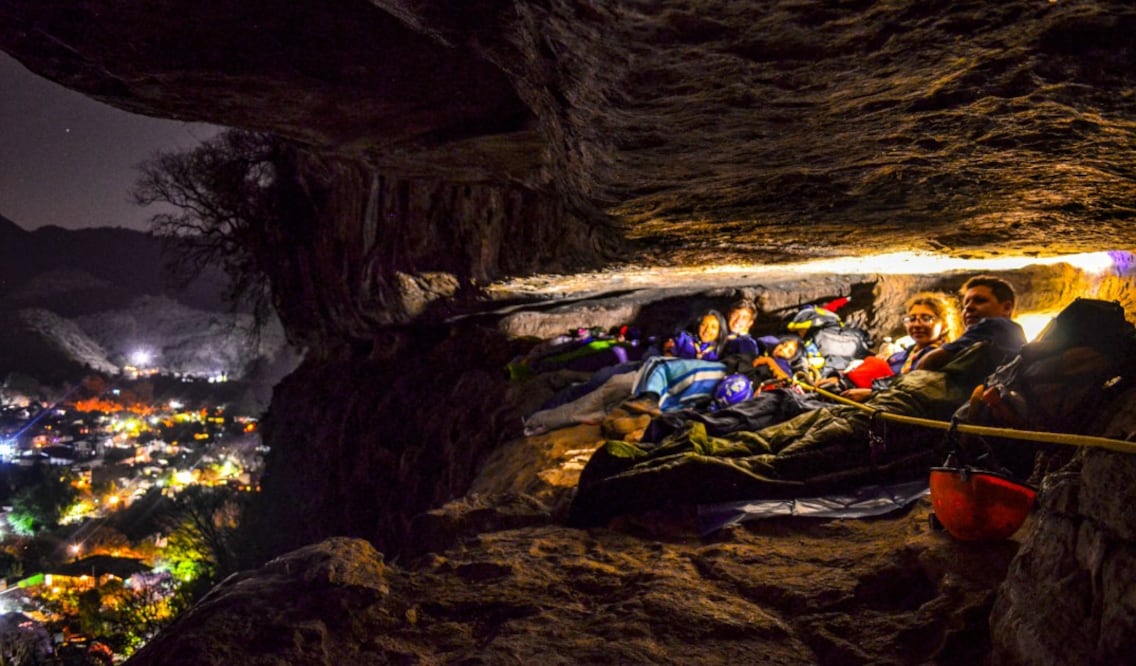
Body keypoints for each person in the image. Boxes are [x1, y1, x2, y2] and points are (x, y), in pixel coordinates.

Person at [837, 291, 962, 402]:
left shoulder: (944, 358)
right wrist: (837, 379)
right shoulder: (900, 356)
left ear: (945, 325)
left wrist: (872, 394)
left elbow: (921, 393)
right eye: (911, 319)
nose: (917, 325)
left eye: (926, 318)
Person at [918, 276, 1026, 371]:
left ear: (1007, 308)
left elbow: (928, 362)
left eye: (980, 301)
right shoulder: (1009, 334)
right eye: (965, 304)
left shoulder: (996, 326)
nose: (969, 307)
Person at [664, 310, 728, 361]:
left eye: (713, 327)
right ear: (698, 326)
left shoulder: (722, 351)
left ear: (720, 331)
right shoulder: (684, 340)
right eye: (703, 325)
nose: (707, 330)